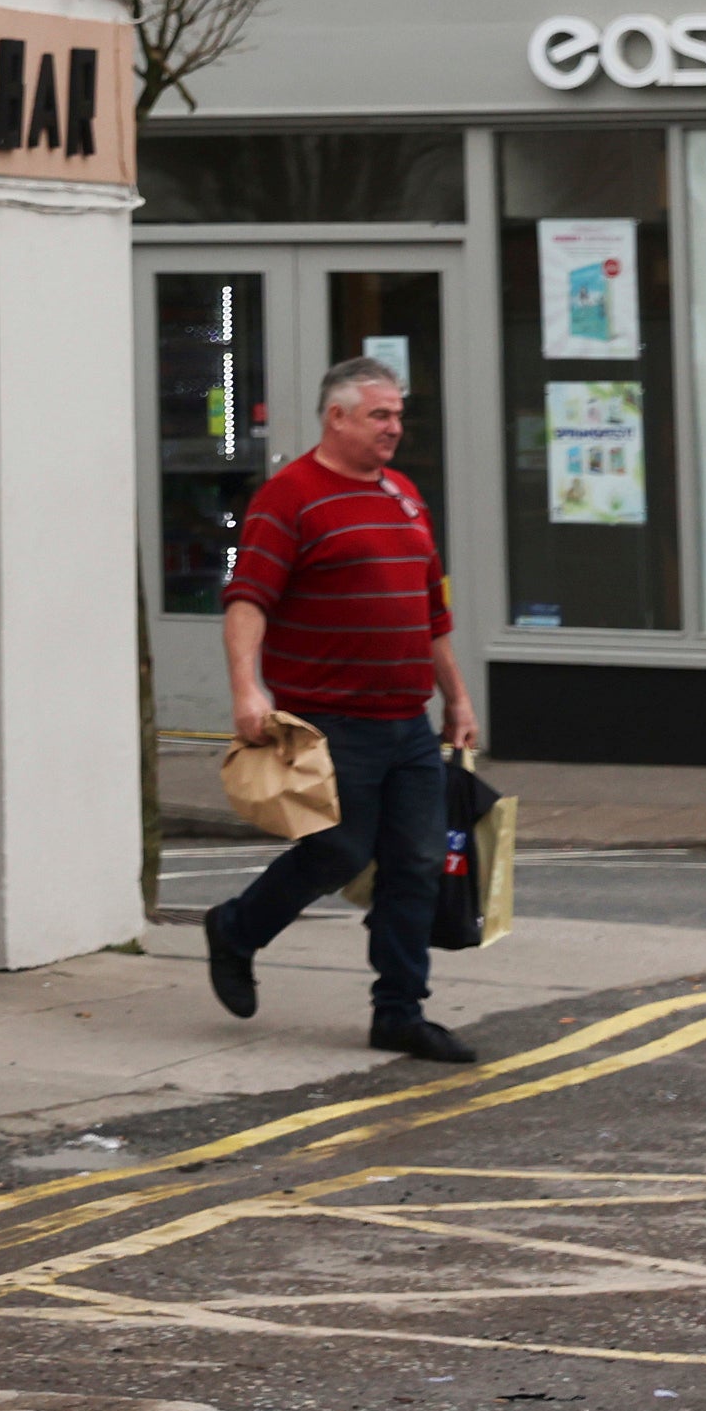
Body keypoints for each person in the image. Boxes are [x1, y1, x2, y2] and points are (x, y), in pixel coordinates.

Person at [202, 354, 482, 1063]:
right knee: (338, 850)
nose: (394, 428)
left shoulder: (405, 495)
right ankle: (237, 930)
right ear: (337, 417)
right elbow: (247, 601)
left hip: (407, 722)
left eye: (397, 415)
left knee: (416, 864)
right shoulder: (289, 496)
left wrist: (457, 697)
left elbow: (431, 614)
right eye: (379, 415)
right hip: (330, 722)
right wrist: (246, 687)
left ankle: (399, 1012)